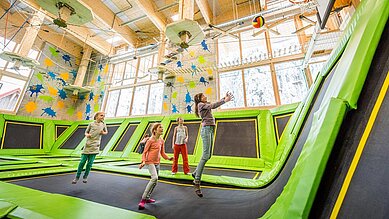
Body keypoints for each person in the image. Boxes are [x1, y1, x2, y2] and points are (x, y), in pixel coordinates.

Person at [192, 92, 233, 197]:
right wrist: (225, 100)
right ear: (200, 99)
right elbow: (213, 106)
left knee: (208, 155)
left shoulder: (204, 105)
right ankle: (197, 182)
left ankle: (195, 172)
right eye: (203, 96)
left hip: (210, 129)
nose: (205, 97)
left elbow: (213, 104)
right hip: (206, 130)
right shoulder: (201, 105)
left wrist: (225, 97)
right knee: (205, 155)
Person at [138, 123, 173, 210]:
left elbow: (162, 153)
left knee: (155, 181)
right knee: (154, 178)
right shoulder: (150, 140)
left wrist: (168, 158)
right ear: (154, 130)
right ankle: (143, 200)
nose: (162, 128)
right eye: (160, 127)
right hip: (150, 162)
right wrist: (143, 161)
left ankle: (148, 198)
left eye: (162, 127)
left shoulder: (161, 140)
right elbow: (145, 152)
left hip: (157, 162)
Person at [72, 111, 108, 184]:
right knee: (82, 162)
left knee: (90, 163)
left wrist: (103, 133)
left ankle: (85, 176)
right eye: (101, 115)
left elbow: (106, 132)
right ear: (97, 116)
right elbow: (86, 132)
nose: (103, 117)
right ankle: (77, 177)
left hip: (95, 145)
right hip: (88, 145)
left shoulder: (103, 124)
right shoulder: (91, 124)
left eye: (104, 116)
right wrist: (87, 135)